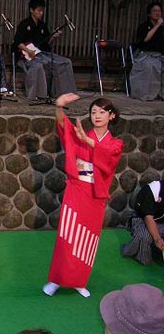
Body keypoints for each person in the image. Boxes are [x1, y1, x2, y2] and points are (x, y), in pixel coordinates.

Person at [43, 94, 123, 298]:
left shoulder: (115, 143)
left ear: (111, 116)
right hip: (77, 190)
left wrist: (88, 141)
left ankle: (79, 281)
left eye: (102, 112)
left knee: (88, 240)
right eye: (93, 112)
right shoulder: (80, 135)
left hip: (95, 196)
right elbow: (63, 126)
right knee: (66, 236)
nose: (97, 116)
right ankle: (56, 280)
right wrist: (59, 105)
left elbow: (110, 156)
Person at [12, 0, 76, 101]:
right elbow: (18, 42)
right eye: (39, 10)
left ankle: (65, 92)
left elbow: (46, 43)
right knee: (39, 65)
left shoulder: (42, 25)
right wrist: (29, 51)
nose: (41, 13)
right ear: (31, 10)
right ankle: (41, 94)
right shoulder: (24, 24)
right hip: (26, 55)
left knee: (65, 62)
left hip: (41, 54)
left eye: (42, 10)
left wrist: (53, 36)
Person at [121, 180, 164, 265]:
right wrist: (157, 238)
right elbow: (148, 217)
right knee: (145, 236)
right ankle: (141, 255)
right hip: (142, 219)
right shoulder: (153, 189)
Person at [129, 2, 164, 101]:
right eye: (154, 11)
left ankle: (161, 94)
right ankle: (145, 94)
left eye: (159, 11)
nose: (157, 13)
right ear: (149, 14)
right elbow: (145, 39)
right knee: (150, 65)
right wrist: (156, 26)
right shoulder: (144, 26)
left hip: (160, 55)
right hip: (146, 55)